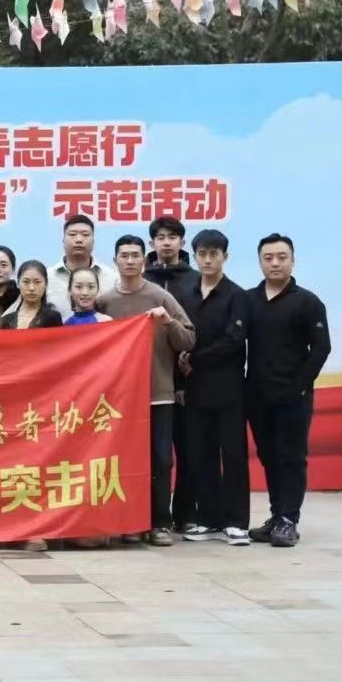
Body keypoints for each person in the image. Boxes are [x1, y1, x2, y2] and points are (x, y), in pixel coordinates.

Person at [96, 235, 196, 547]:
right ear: (114, 261)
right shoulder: (104, 302)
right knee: (123, 462)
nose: (129, 260)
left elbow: (189, 339)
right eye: (124, 255)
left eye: (135, 255)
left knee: (161, 460)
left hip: (158, 394)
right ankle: (130, 522)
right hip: (117, 399)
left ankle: (161, 523)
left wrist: (167, 322)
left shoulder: (160, 297)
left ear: (144, 259)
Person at [244, 233, 330, 548]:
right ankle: (277, 515)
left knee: (291, 457)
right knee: (269, 456)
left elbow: (321, 348)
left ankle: (289, 520)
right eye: (268, 258)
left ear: (293, 260)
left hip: (293, 396)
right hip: (257, 394)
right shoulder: (248, 300)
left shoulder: (307, 301)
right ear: (260, 262)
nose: (275, 263)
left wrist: (300, 386)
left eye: (282, 257)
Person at [178, 230, 250, 546]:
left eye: (214, 254)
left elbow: (234, 341)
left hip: (229, 388)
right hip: (196, 388)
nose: (207, 260)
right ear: (194, 256)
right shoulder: (188, 294)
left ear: (225, 256)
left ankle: (236, 522)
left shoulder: (237, 295)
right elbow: (181, 337)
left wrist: (194, 357)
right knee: (201, 454)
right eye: (202, 254)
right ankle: (209, 518)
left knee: (233, 455)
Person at [145, 217, 200, 533]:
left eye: (173, 236)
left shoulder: (195, 280)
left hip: (188, 380)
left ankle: (186, 513)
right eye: (160, 237)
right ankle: (153, 517)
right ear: (151, 243)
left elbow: (193, 330)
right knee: (156, 457)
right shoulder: (142, 280)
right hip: (153, 383)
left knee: (187, 451)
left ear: (182, 242)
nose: (166, 242)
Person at [47, 215, 119, 316]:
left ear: (93, 241)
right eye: (72, 234)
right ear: (63, 240)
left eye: (85, 235)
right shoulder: (47, 278)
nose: (79, 240)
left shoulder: (112, 278)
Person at [1, 261, 63, 329]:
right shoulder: (5, 320)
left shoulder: (53, 318)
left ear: (46, 284)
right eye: (26, 282)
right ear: (18, 283)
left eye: (37, 282)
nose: (31, 288)